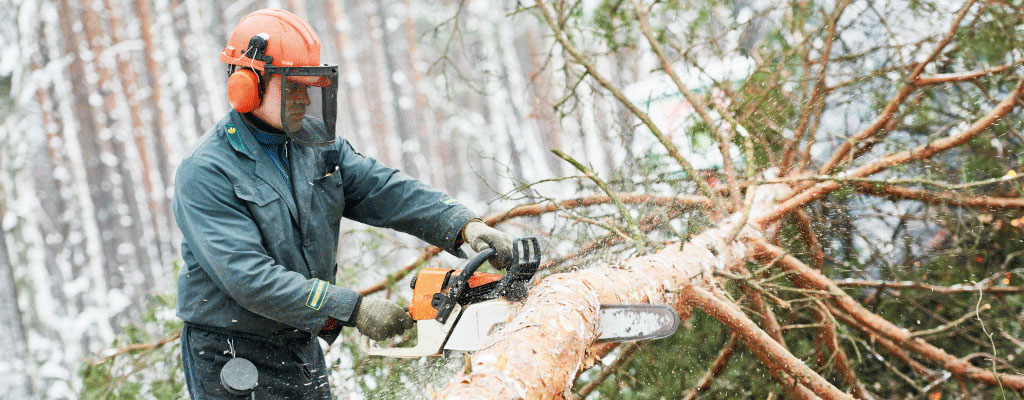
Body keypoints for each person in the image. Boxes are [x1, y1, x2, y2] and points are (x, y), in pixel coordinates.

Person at [172, 9, 513, 399]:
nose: (305, 98)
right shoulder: (207, 171)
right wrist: (352, 308)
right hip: (234, 353)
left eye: (310, 85)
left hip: (300, 341)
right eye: (294, 87)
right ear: (247, 85)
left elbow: (383, 189)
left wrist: (464, 225)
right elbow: (249, 278)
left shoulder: (312, 143)